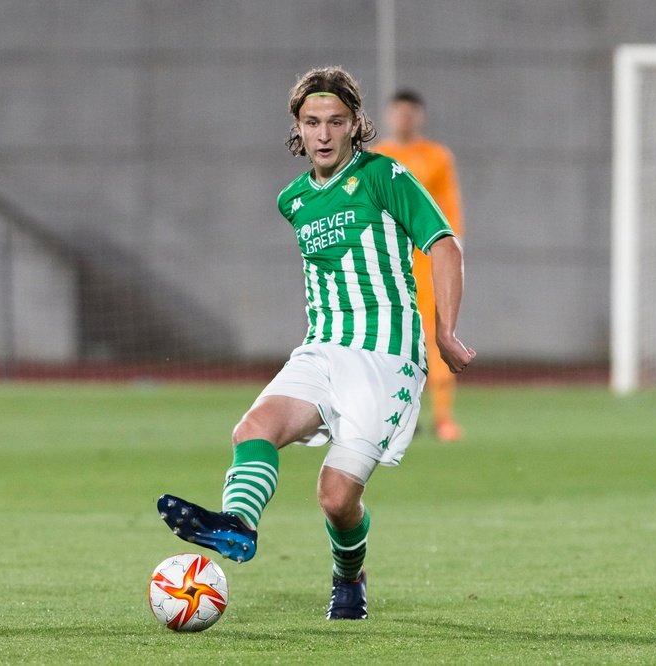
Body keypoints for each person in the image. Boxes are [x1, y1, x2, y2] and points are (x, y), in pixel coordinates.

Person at [158, 67, 475, 620]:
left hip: (387, 357)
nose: (323, 134)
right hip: (323, 347)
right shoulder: (294, 199)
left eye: (335, 122)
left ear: (356, 126)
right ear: (297, 129)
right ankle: (239, 523)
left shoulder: (384, 176)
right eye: (311, 122)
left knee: (336, 499)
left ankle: (349, 577)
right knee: (253, 428)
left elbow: (444, 245)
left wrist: (444, 331)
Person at [371, 89, 467, 442]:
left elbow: (449, 208)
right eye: (398, 112)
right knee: (387, 338)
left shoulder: (436, 157)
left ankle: (443, 418)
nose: (404, 119)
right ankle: (391, 419)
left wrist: (451, 250)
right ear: (389, 116)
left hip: (426, 261)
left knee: (438, 334)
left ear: (420, 116)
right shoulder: (376, 158)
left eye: (410, 112)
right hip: (388, 262)